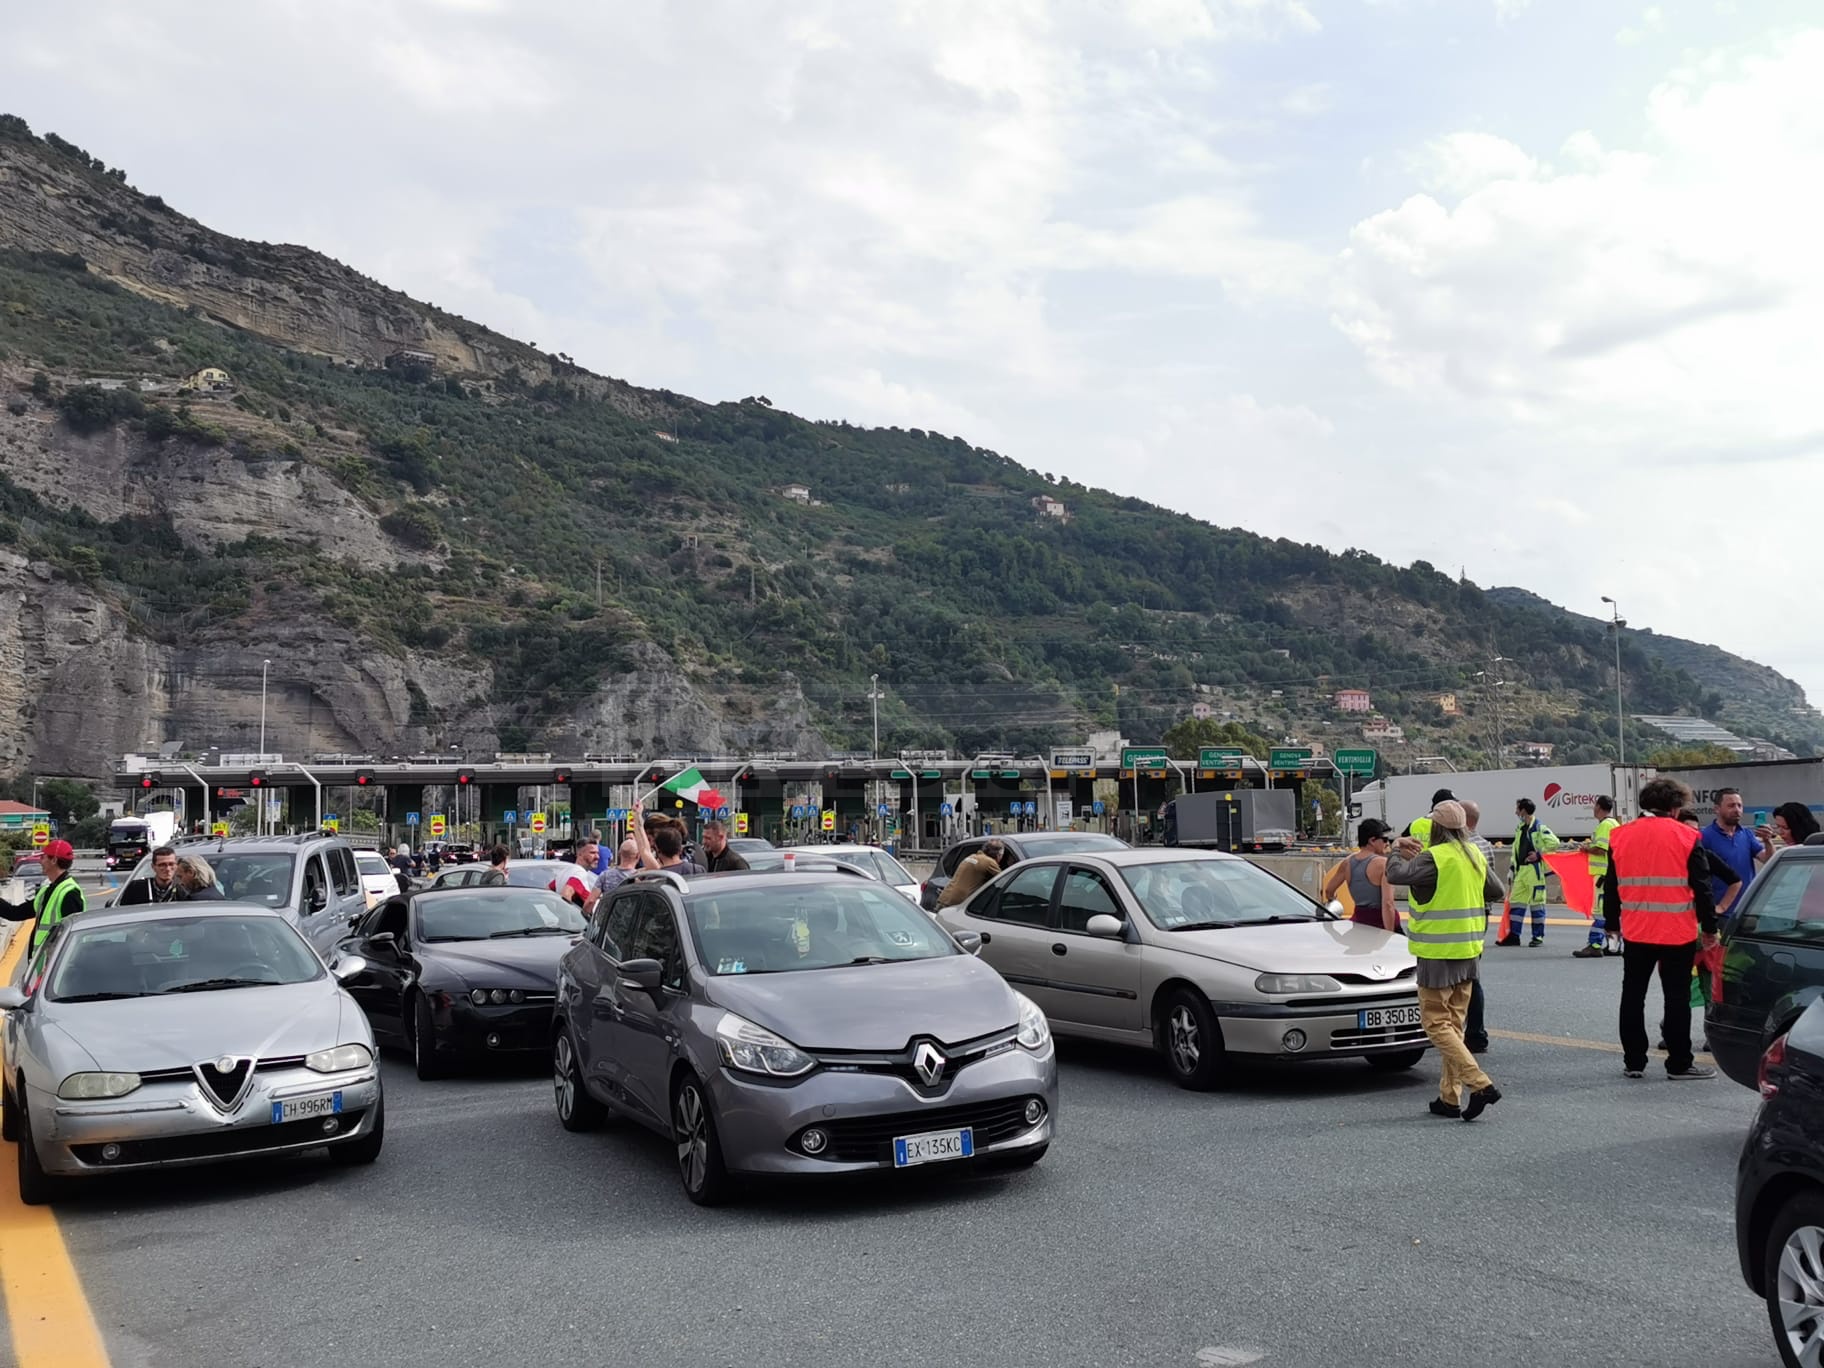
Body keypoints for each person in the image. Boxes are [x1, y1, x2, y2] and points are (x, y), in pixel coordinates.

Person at [1384, 800, 1507, 1120]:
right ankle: (1449, 1097)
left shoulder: (1433, 857)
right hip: (1468, 951)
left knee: (1436, 1024)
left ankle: (1479, 1084)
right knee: (1453, 1025)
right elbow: (1496, 891)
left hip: (1437, 953)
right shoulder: (1475, 854)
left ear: (1435, 828)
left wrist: (1396, 847)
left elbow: (1396, 874)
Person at [1606, 777, 1720, 1080]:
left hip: (1636, 930)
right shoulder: (1686, 836)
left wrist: (1611, 924)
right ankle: (1679, 1063)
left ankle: (1633, 1061)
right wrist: (1710, 928)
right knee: (1676, 997)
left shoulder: (1619, 836)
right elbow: (1703, 888)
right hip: (1676, 931)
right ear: (1674, 807)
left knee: (1632, 994)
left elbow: (1611, 885)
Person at [0, 838, 86, 955]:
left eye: (43, 857)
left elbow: (72, 939)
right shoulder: (47, 891)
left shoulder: (69, 893)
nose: (40, 861)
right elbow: (15, 913)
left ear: (54, 860)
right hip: (47, 967)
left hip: (56, 968)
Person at [1461, 800, 1497, 1054]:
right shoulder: (1485, 846)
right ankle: (1476, 1033)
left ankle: (1468, 1033)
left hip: (1460, 917)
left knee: (1461, 978)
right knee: (1473, 974)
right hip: (1481, 915)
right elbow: (1492, 886)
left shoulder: (1461, 847)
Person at [1499, 797, 1559, 947]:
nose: (1515, 811)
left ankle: (1537, 937)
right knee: (1516, 902)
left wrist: (1539, 855)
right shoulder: (1520, 828)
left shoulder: (1538, 827)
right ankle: (1514, 936)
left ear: (1523, 811)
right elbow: (1516, 850)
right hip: (1521, 871)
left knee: (1536, 904)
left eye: (1517, 809)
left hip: (1534, 871)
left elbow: (1555, 843)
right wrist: (1512, 869)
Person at [1701, 788, 1769, 917]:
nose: (1737, 810)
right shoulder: (1705, 836)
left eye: (1739, 805)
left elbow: (1767, 859)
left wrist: (1768, 842)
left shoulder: (1746, 834)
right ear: (1717, 809)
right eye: (1731, 806)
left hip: (1747, 910)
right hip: (1720, 910)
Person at [1322, 820, 1398, 932]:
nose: (1387, 844)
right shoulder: (1384, 864)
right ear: (1372, 840)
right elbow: (1388, 904)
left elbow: (1329, 891)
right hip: (1381, 924)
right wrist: (1389, 933)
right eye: (1385, 839)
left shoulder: (1347, 863)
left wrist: (1332, 900)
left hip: (1359, 924)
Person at [1573, 796, 1622, 958]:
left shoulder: (1604, 825)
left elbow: (1602, 849)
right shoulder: (1615, 823)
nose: (1593, 809)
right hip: (1613, 874)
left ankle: (1594, 944)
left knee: (1600, 912)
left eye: (1594, 806)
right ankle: (1614, 946)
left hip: (1603, 875)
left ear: (1599, 807)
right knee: (1613, 912)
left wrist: (1586, 849)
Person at [632, 802, 705, 874]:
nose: (648, 843)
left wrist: (636, 816)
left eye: (647, 839)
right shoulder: (697, 867)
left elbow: (645, 850)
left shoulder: (658, 874)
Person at [938, 839, 1006, 909]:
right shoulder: (989, 862)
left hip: (945, 898)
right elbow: (1005, 880)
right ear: (998, 855)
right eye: (1002, 856)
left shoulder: (971, 856)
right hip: (956, 905)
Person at [117, 844, 188, 905]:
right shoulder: (135, 888)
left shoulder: (183, 892)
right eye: (162, 865)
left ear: (176, 866)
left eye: (171, 864)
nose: (167, 869)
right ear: (153, 867)